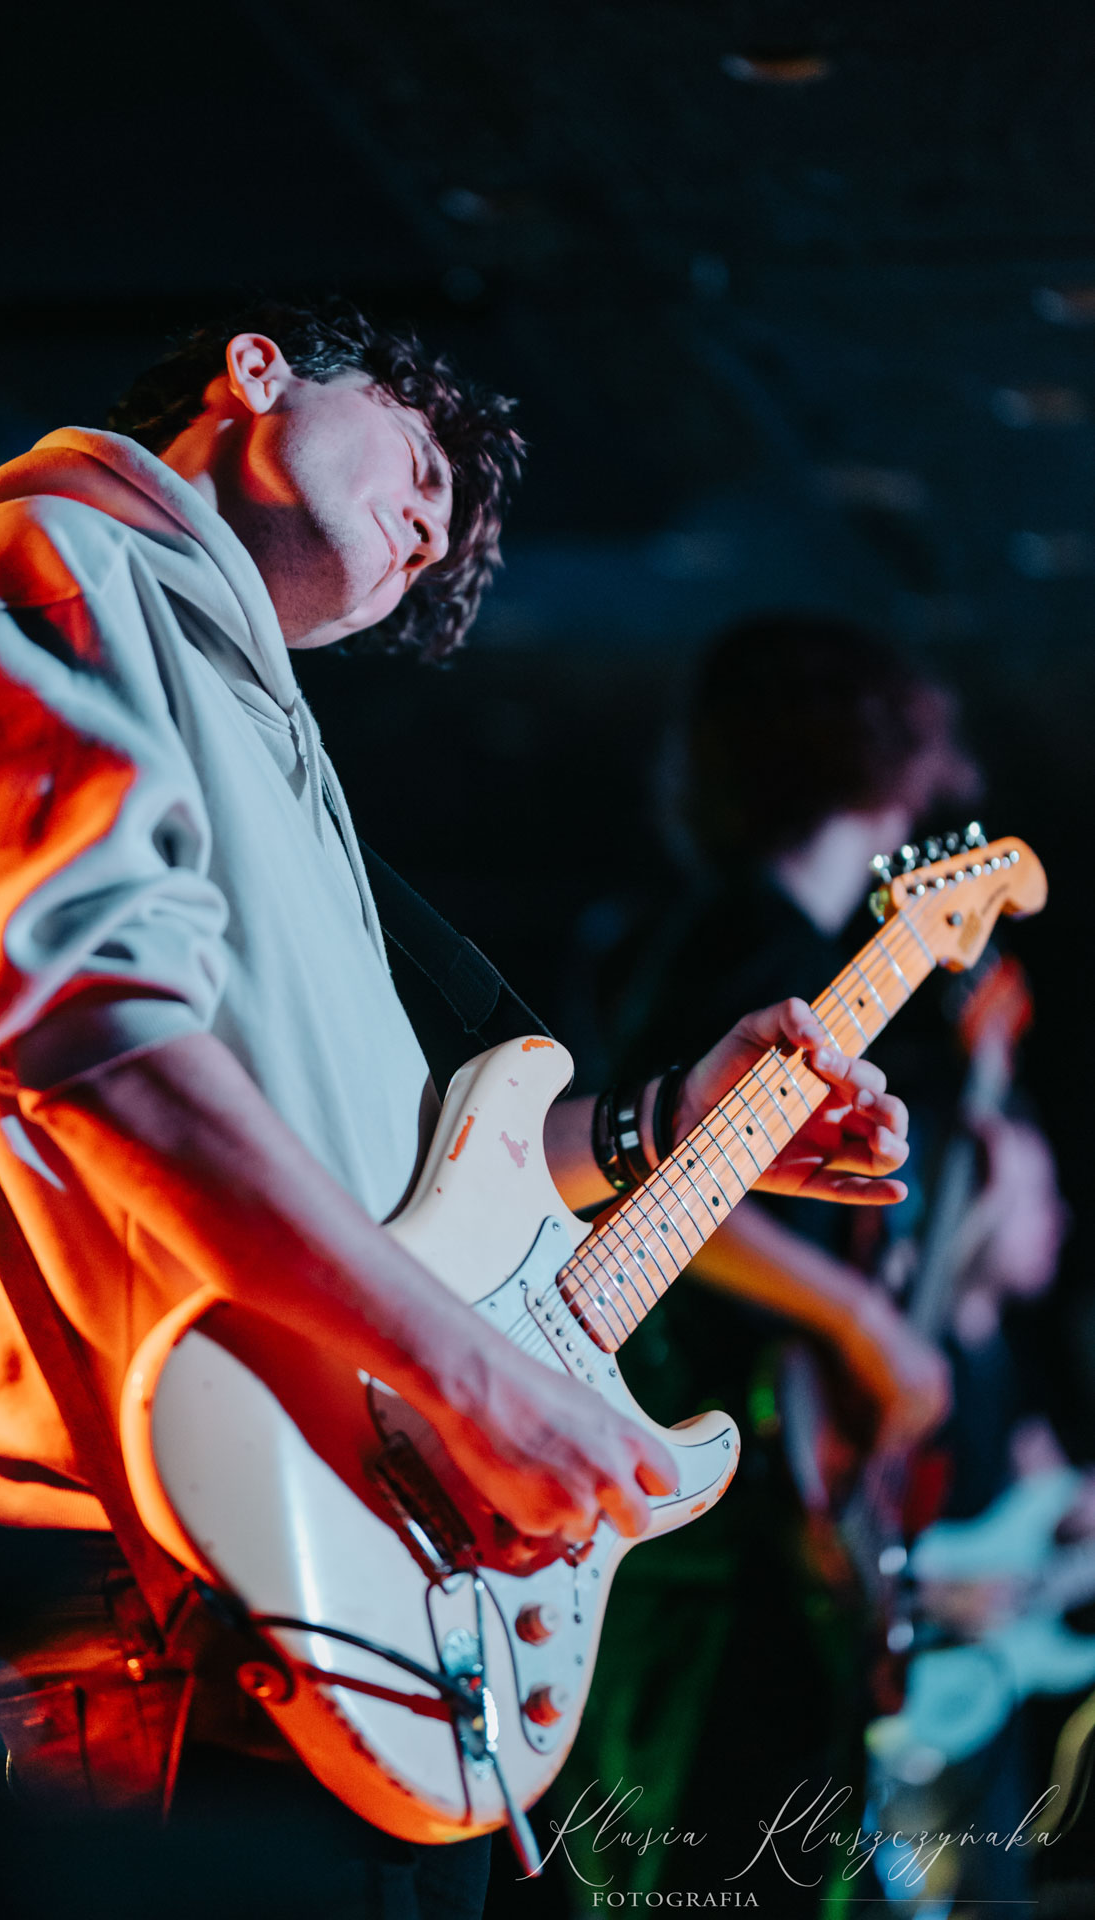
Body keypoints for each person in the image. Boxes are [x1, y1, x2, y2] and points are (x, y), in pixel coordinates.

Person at [0, 309, 911, 1919]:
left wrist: (660, 1127)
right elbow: (89, 1037)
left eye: (440, 543)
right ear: (255, 371)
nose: (430, 531)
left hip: (342, 1556)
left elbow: (408, 1176)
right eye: (418, 462)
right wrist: (470, 1378)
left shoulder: (249, 716)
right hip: (202, 1556)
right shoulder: (59, 559)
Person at [555, 615, 987, 1911]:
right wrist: (867, 1326)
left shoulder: (736, 936)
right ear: (886, 747)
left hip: (746, 1504)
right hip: (712, 1512)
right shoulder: (755, 945)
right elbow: (668, 1201)